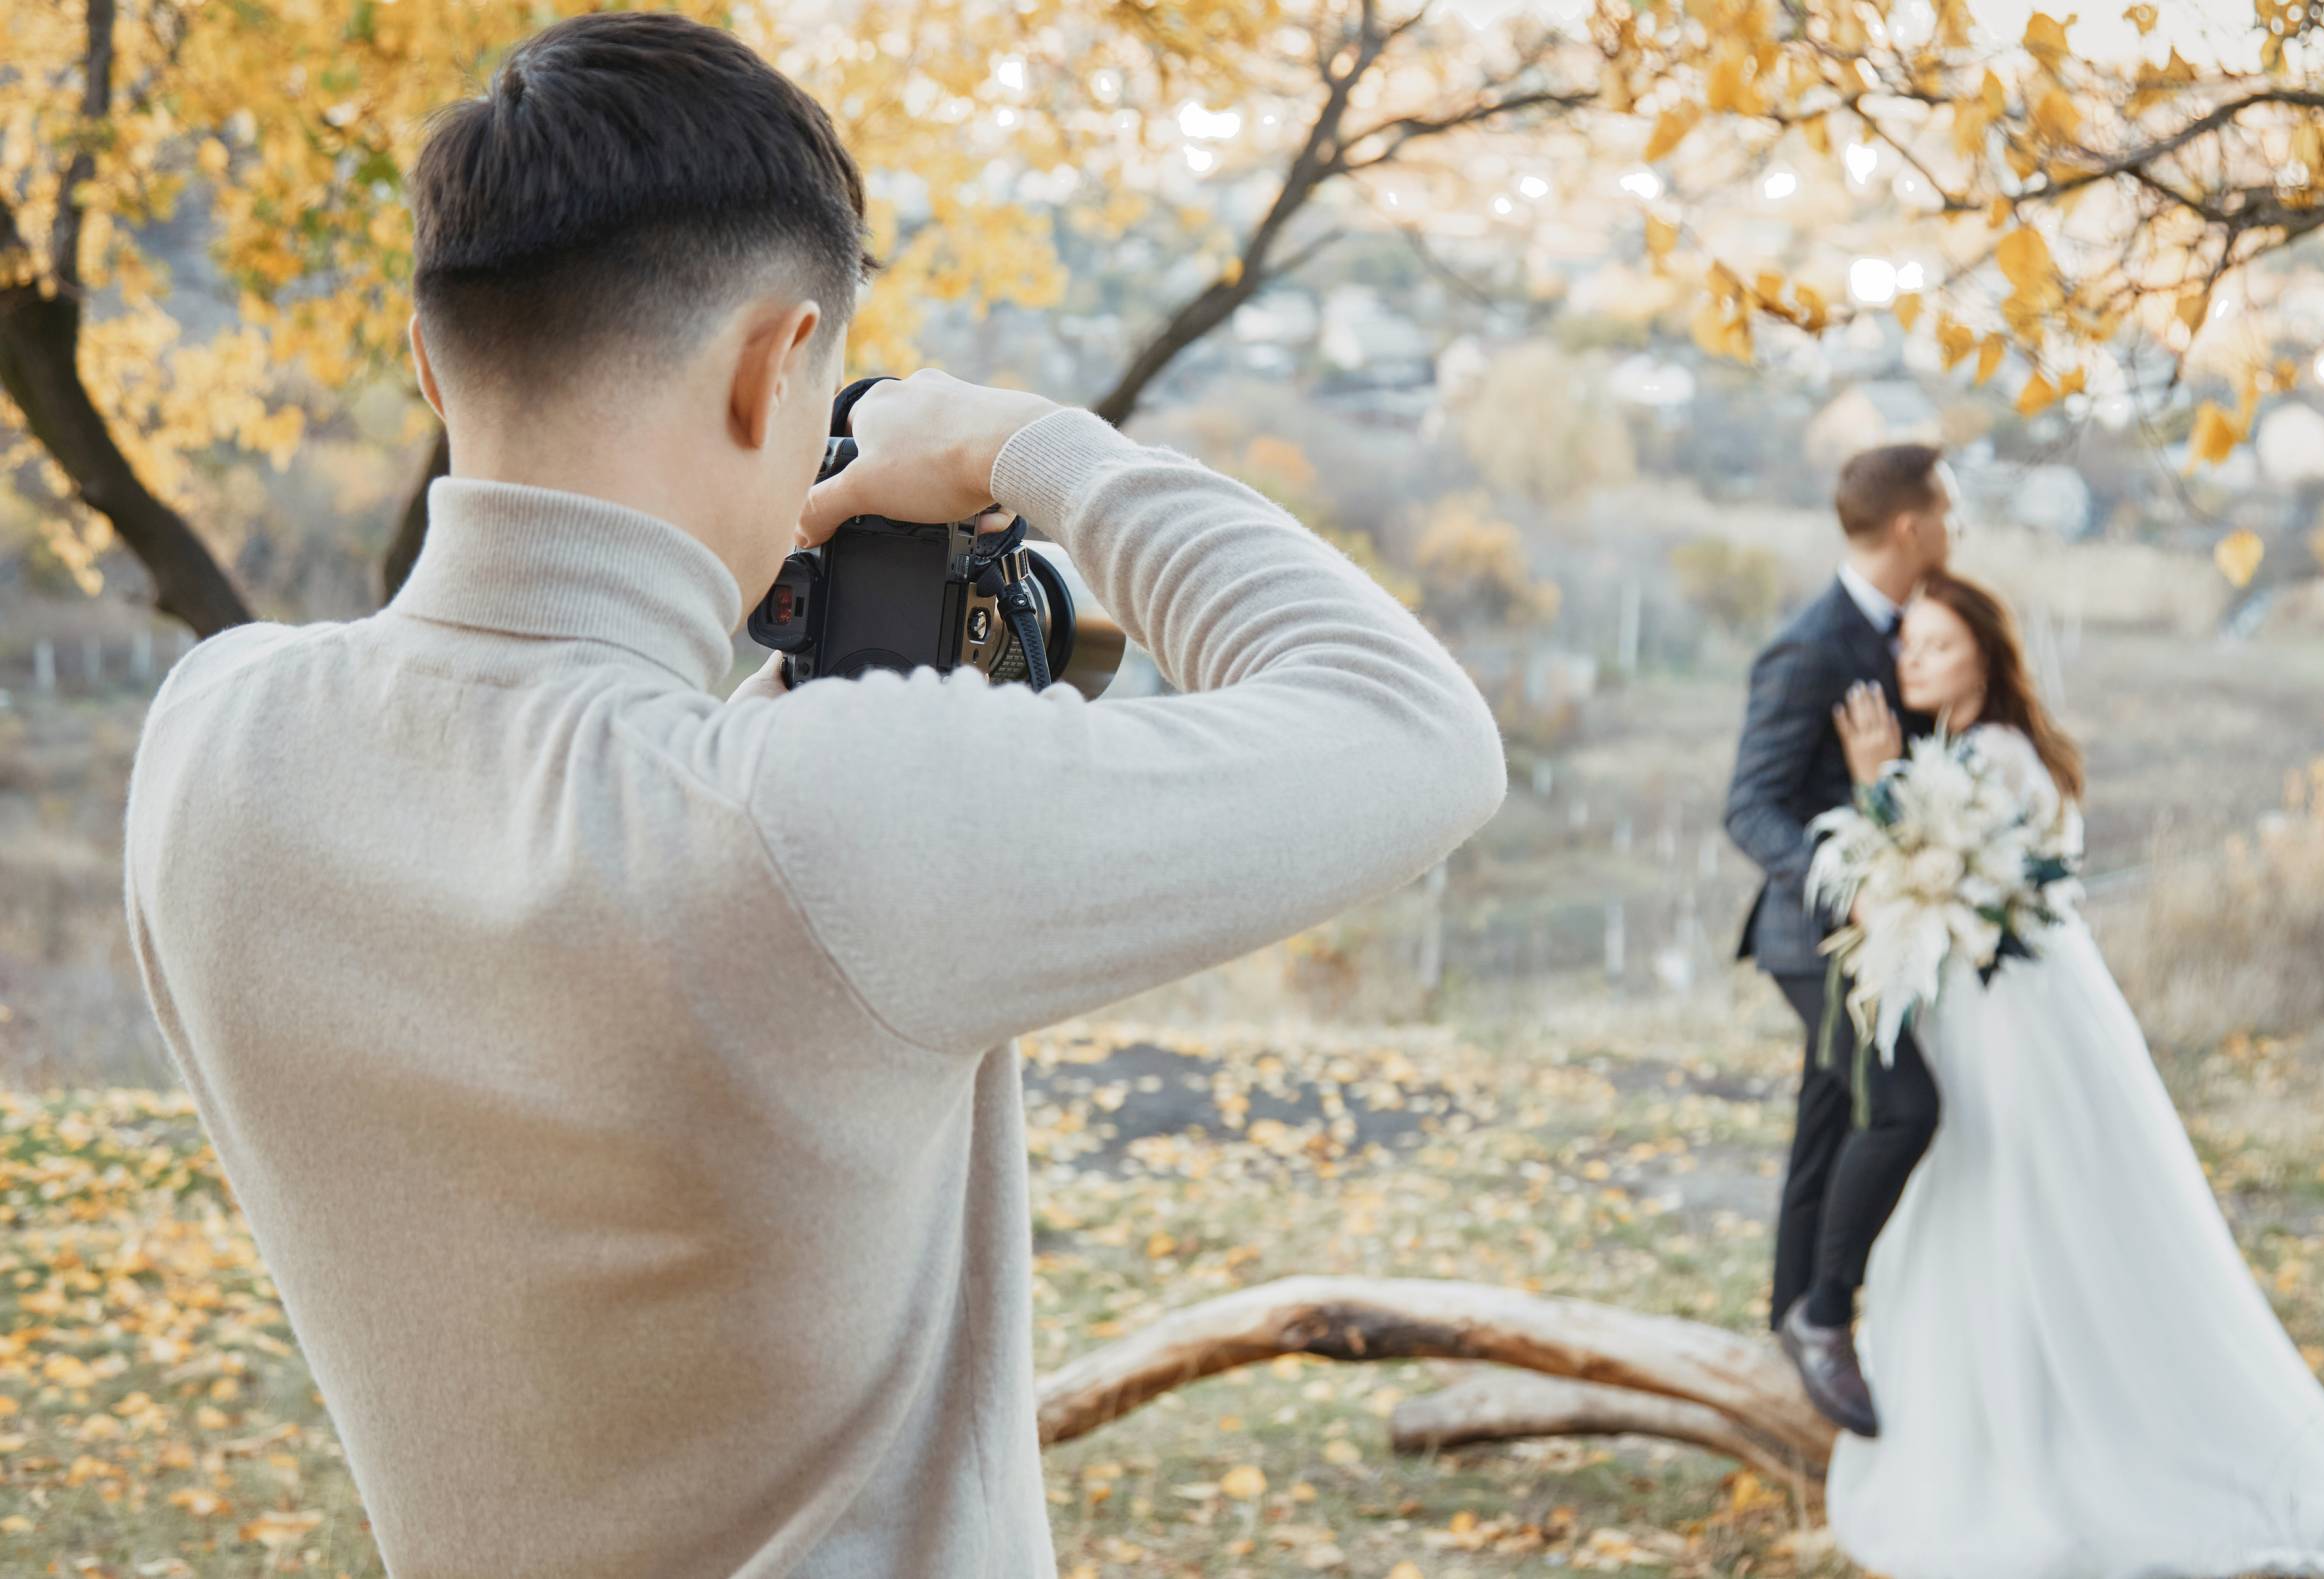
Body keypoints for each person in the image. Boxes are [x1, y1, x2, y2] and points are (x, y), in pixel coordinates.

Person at [119, 14, 1504, 1578]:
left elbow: (597, 835)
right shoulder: (819, 824)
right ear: (778, 361)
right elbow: (1414, 727)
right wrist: (1030, 445)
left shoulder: (212, 741)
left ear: (429, 357)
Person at [1820, 572, 2324, 1579]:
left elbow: (1961, 883)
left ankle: (2045, 1444)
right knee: (1977, 1207)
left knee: (2016, 1206)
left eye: (1936, 645)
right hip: (1994, 1016)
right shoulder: (1963, 751)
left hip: (2015, 1024)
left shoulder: (1994, 755)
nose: (1911, 661)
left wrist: (1876, 787)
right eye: (1908, 644)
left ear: (1984, 657)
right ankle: (2004, 1420)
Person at [1722, 443, 1959, 1437]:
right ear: (1908, 524)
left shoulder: (1922, 629)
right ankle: (1825, 1318)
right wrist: (1848, 885)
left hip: (1885, 932)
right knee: (1902, 1108)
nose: (1954, 526)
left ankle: (1787, 1326)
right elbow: (1749, 808)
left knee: (1826, 1119)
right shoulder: (1808, 647)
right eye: (1945, 509)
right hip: (1811, 939)